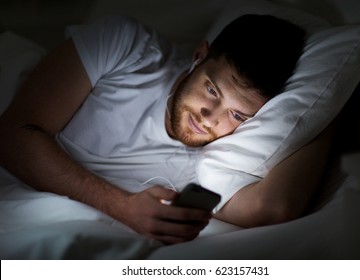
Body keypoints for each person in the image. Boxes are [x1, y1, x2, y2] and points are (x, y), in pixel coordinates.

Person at [0, 14, 332, 245]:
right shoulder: (128, 47)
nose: (208, 117)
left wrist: (330, 101)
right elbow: (13, 134)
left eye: (236, 114)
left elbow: (274, 209)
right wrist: (122, 206)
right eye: (212, 90)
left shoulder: (219, 163)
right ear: (199, 56)